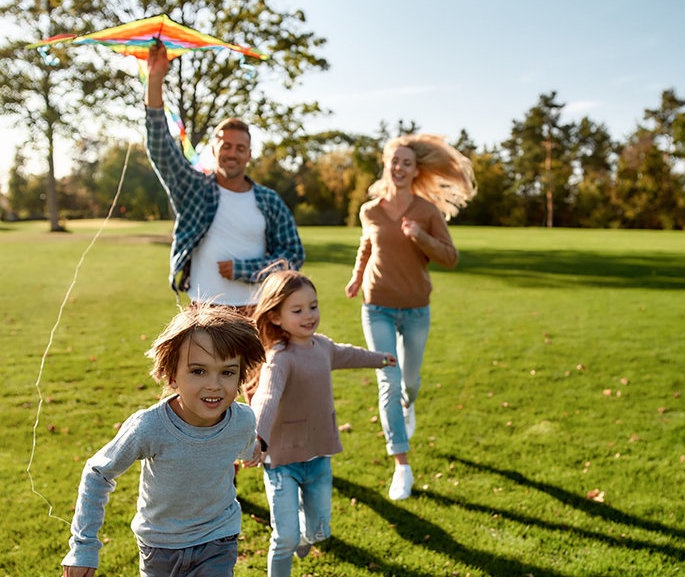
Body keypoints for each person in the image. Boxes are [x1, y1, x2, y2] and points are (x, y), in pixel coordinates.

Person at [61, 304, 266, 577]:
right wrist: (83, 546)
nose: (214, 385)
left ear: (241, 376)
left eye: (227, 372)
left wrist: (254, 451)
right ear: (172, 376)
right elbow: (98, 473)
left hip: (218, 539)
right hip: (160, 547)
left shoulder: (242, 420)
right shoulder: (149, 427)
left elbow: (244, 445)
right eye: (198, 371)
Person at [344, 134, 476, 500]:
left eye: (407, 163)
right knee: (388, 380)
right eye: (395, 162)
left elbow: (450, 257)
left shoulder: (426, 212)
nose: (399, 168)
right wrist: (356, 277)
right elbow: (367, 245)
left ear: (416, 171)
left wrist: (420, 237)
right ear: (385, 165)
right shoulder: (370, 210)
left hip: (416, 310)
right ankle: (402, 465)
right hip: (377, 307)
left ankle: (409, 402)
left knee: (409, 383)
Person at [248, 270, 396, 577]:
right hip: (282, 461)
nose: (309, 315)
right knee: (284, 538)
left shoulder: (323, 347)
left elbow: (348, 355)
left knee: (318, 532)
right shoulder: (279, 358)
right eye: (297, 310)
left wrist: (380, 359)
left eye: (313, 306)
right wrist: (258, 438)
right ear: (275, 317)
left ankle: (305, 534)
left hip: (318, 456)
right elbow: (266, 397)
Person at [145, 42, 304, 312]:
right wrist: (155, 79)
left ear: (249, 155)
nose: (232, 153)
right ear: (213, 150)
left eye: (240, 148)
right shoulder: (194, 189)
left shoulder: (269, 200)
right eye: (226, 146)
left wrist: (245, 270)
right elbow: (160, 146)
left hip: (258, 310)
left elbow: (294, 255)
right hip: (204, 310)